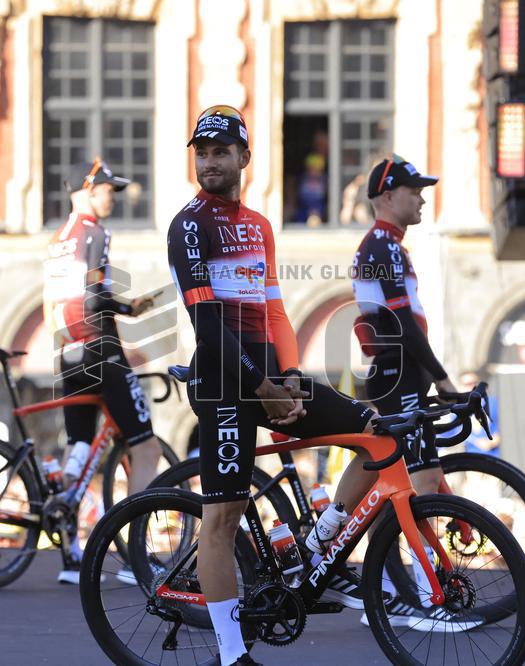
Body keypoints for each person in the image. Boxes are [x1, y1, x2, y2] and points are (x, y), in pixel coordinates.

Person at [169, 105, 403, 666]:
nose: (210, 162)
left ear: (244, 158)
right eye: (201, 153)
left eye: (221, 152)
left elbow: (274, 311)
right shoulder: (189, 225)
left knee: (376, 435)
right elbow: (208, 325)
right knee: (221, 519)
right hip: (222, 382)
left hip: (267, 376)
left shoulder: (259, 227)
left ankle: (323, 542)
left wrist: (292, 377)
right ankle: (231, 653)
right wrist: (262, 386)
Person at [351, 154, 480, 630]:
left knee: (384, 480)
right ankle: (432, 600)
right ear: (387, 196)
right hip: (397, 374)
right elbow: (403, 326)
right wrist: (444, 382)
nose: (422, 197)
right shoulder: (382, 247)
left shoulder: (392, 246)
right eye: (414, 190)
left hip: (401, 375)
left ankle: (378, 587)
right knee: (422, 486)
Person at [43, 157, 164, 584]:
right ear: (88, 189)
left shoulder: (59, 237)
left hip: (66, 353)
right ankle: (137, 558)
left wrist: (128, 306)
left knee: (79, 447)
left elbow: (64, 299)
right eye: (108, 189)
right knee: (146, 448)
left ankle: (71, 556)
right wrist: (118, 338)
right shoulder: (95, 233)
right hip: (99, 350)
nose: (113, 196)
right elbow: (93, 297)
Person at [459, 371, 500, 456]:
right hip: (472, 459)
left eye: (474, 382)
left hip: (496, 457)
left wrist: (494, 441)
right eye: (467, 384)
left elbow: (507, 429)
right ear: (460, 387)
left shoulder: (493, 402)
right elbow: (453, 433)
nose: (472, 386)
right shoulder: (458, 408)